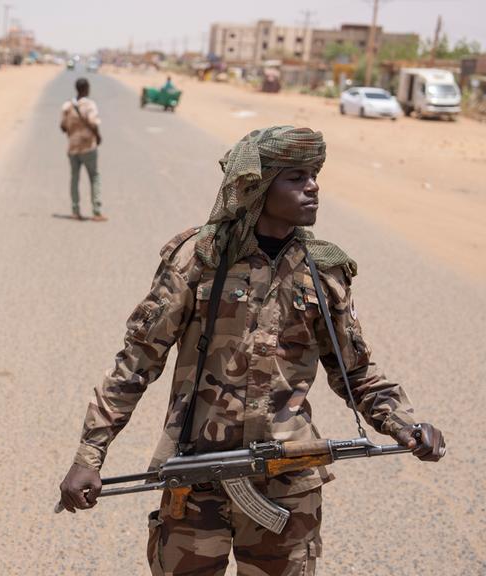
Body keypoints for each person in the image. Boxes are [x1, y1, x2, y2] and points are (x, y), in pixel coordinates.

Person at [59, 126, 445, 575]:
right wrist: (89, 458)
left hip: (288, 483)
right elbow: (136, 363)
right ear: (259, 186)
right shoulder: (199, 259)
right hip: (196, 479)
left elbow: (356, 373)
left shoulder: (324, 272)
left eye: (315, 174)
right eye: (295, 177)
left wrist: (406, 425)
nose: (313, 186)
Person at [60, 77, 105, 221]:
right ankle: (96, 212)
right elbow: (93, 123)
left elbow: (62, 127)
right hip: (88, 147)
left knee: (74, 178)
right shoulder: (90, 105)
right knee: (94, 177)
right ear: (86, 89)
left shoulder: (67, 106)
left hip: (73, 147)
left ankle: (75, 210)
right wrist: (98, 136)